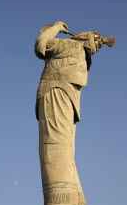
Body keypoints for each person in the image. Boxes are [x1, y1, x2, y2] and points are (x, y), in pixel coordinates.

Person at [35, 21, 102, 205]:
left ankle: (62, 197)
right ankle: (74, 197)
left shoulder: (71, 45)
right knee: (64, 148)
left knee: (54, 144)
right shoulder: (82, 59)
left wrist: (55, 27)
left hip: (56, 93)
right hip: (67, 100)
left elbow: (41, 43)